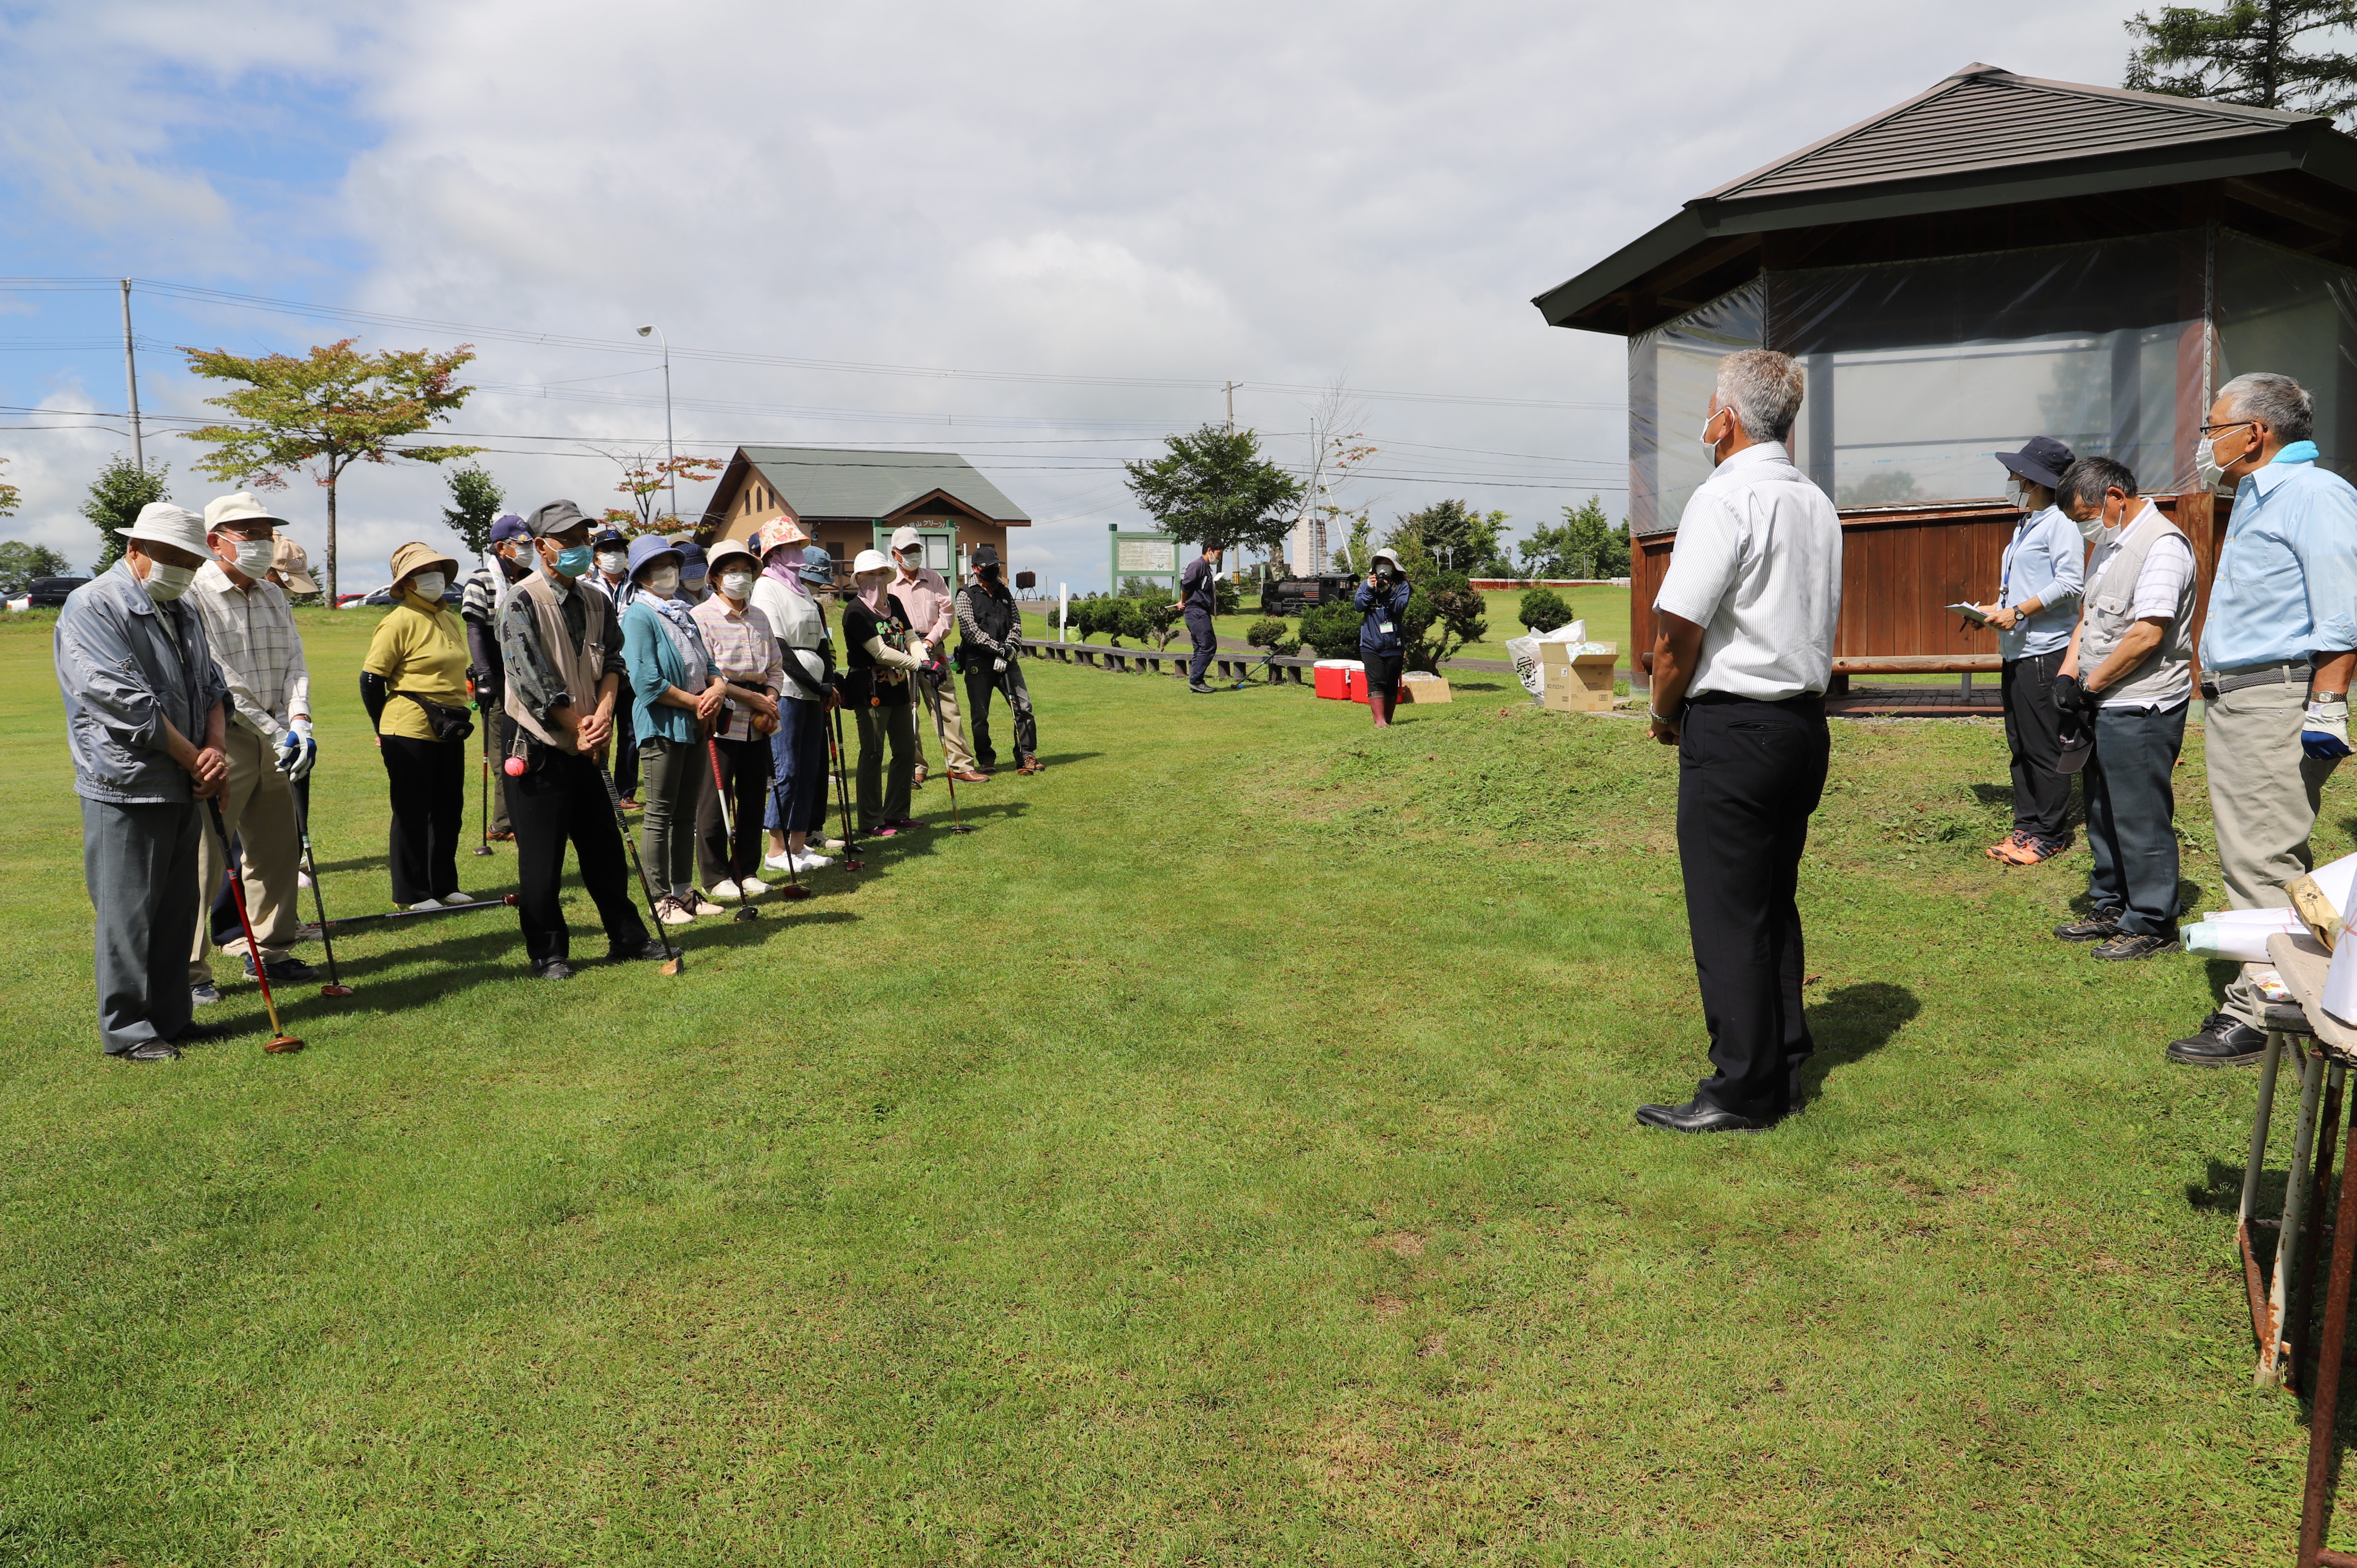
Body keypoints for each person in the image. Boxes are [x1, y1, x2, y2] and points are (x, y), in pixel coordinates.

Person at [1639, 349, 1842, 1134]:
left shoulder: (1726, 497)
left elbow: (1679, 626)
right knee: (1769, 903)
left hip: (1736, 721)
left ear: (1724, 421)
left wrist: (1664, 711)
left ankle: (1741, 1088)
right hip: (1800, 723)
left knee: (1728, 911)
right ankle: (1782, 1061)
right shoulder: (1815, 502)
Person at [2167, 372, 2357, 1065]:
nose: (2202, 442)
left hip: (2276, 697)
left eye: (2210, 427)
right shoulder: (2257, 491)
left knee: (2263, 858)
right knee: (2251, 849)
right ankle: (2282, 992)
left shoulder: (2313, 494)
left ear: (2254, 432)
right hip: (2243, 698)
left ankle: (2262, 1007)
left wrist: (2326, 706)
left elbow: (2343, 612)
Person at [54, 503, 233, 1060]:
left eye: (189, 559)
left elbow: (211, 682)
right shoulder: (93, 605)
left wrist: (216, 750)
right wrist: (194, 757)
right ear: (135, 550)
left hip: (182, 780)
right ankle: (128, 1030)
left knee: (179, 908)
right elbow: (121, 701)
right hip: (126, 784)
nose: (181, 568)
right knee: (128, 913)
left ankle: (172, 1019)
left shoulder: (180, 607)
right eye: (171, 557)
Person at [497, 500, 670, 978]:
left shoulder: (596, 599)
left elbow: (614, 663)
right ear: (541, 547)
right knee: (542, 859)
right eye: (568, 540)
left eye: (584, 539)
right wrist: (581, 726)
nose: (579, 548)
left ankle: (628, 937)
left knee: (605, 851)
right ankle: (549, 952)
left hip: (591, 740)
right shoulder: (521, 600)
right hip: (537, 747)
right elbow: (529, 679)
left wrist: (605, 715)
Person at [2049, 457, 2196, 962]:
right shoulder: (2107, 547)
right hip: (2104, 698)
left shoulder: (2162, 546)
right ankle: (2111, 904)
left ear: (2115, 497)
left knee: (2140, 814)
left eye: (2083, 515)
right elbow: (2089, 621)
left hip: (2142, 702)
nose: (2082, 527)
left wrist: (2090, 685)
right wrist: (2069, 675)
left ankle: (2153, 920)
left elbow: (2147, 635)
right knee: (2101, 809)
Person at [185, 491, 318, 1005]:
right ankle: (192, 971)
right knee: (204, 859)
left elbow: (296, 664)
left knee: (277, 849)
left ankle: (271, 952)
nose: (263, 541)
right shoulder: (195, 595)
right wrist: (275, 729)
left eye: (267, 531)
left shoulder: (273, 594)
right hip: (223, 737)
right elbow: (221, 678)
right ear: (215, 540)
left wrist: (300, 721)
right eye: (250, 532)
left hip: (280, 737)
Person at [1973, 435, 2083, 866]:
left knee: (2044, 747)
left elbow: (2071, 583)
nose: (2012, 481)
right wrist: (1995, 611)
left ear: (2037, 481)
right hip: (2017, 650)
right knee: (2020, 744)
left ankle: (2049, 834)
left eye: (2017, 475)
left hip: (2044, 652)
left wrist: (2018, 612)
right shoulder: (2028, 522)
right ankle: (2027, 824)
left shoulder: (2061, 523)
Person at [361, 542, 475, 913]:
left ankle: (443, 883)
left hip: (448, 727)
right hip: (407, 728)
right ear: (408, 583)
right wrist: (382, 727)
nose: (436, 578)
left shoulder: (447, 617)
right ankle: (412, 893)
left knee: (448, 809)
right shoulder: (398, 620)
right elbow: (370, 679)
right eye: (426, 573)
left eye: (439, 571)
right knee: (412, 810)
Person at [619, 536, 722, 925]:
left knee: (685, 813)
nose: (670, 572)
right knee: (659, 814)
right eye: (660, 565)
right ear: (643, 574)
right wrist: (698, 702)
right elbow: (646, 682)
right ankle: (660, 898)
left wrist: (717, 689)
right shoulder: (639, 615)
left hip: (695, 722)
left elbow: (709, 665)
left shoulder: (682, 611)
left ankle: (683, 892)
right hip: (662, 725)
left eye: (672, 564)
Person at [692, 539, 784, 898]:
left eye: (746, 571)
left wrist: (771, 700)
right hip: (722, 717)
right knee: (714, 801)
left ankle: (747, 870)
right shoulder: (701, 617)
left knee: (752, 799)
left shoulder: (760, 616)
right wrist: (751, 698)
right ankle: (716, 877)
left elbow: (775, 667)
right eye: (732, 572)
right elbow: (704, 674)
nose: (741, 578)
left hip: (759, 722)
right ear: (715, 578)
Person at [751, 528, 840, 874]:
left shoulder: (803, 589)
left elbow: (820, 643)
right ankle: (776, 851)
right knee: (786, 769)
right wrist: (817, 686)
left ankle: (798, 846)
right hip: (787, 688)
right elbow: (779, 649)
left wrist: (828, 682)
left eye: (798, 546)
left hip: (814, 688)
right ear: (774, 552)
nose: (797, 552)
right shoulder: (766, 587)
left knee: (809, 769)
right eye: (789, 547)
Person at [887, 524, 985, 782]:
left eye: (917, 550)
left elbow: (947, 615)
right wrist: (910, 648)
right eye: (907, 551)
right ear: (895, 554)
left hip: (934, 648)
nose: (913, 555)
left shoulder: (935, 578)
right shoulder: (888, 584)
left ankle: (961, 765)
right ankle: (915, 767)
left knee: (947, 706)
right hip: (901, 651)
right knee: (907, 709)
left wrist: (929, 643)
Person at [844, 547, 926, 835]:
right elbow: (880, 652)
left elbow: (910, 635)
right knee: (873, 753)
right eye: (870, 575)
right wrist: (918, 664)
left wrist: (924, 659)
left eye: (881, 573)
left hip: (898, 686)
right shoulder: (855, 612)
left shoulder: (894, 602)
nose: (876, 580)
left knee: (906, 750)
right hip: (870, 689)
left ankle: (897, 813)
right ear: (859, 578)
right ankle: (870, 820)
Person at [461, 513, 532, 843]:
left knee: (528, 749)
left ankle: (524, 814)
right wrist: (486, 676)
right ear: (503, 547)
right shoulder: (481, 581)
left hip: (528, 678)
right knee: (504, 751)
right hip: (498, 680)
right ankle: (505, 823)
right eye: (524, 544)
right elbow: (475, 629)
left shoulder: (529, 579)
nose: (530, 549)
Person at [955, 543, 1040, 774]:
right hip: (978, 663)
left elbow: (1016, 622)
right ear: (975, 568)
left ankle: (1026, 755)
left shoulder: (1004, 591)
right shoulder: (965, 594)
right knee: (980, 715)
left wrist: (1009, 648)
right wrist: (997, 649)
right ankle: (986, 758)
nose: (994, 571)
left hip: (1008, 660)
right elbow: (970, 631)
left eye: (996, 566)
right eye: (989, 567)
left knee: (1024, 706)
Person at [585, 526, 642, 808]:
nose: (615, 555)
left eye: (620, 550)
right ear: (596, 558)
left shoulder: (639, 585)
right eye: (608, 551)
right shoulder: (587, 587)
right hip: (600, 671)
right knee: (600, 729)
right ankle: (599, 788)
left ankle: (625, 792)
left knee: (631, 734)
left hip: (633, 672)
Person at [1355, 547, 1413, 727]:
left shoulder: (1402, 586)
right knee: (1376, 680)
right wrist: (1371, 589)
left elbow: (1399, 608)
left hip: (1394, 643)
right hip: (1370, 643)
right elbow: (1358, 606)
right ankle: (1379, 721)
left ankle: (1387, 719)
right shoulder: (1366, 584)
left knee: (1390, 681)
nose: (1383, 567)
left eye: (1388, 564)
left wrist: (1387, 591)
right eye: (1381, 563)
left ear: (1394, 567)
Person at [1181, 540, 1224, 694]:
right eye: (1218, 554)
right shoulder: (1198, 565)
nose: (1219, 558)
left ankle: (1196, 683)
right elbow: (1185, 585)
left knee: (1200, 647)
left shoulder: (1206, 567)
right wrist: (1182, 602)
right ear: (1210, 550)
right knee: (1208, 645)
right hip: (1196, 611)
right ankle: (1196, 681)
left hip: (1200, 611)